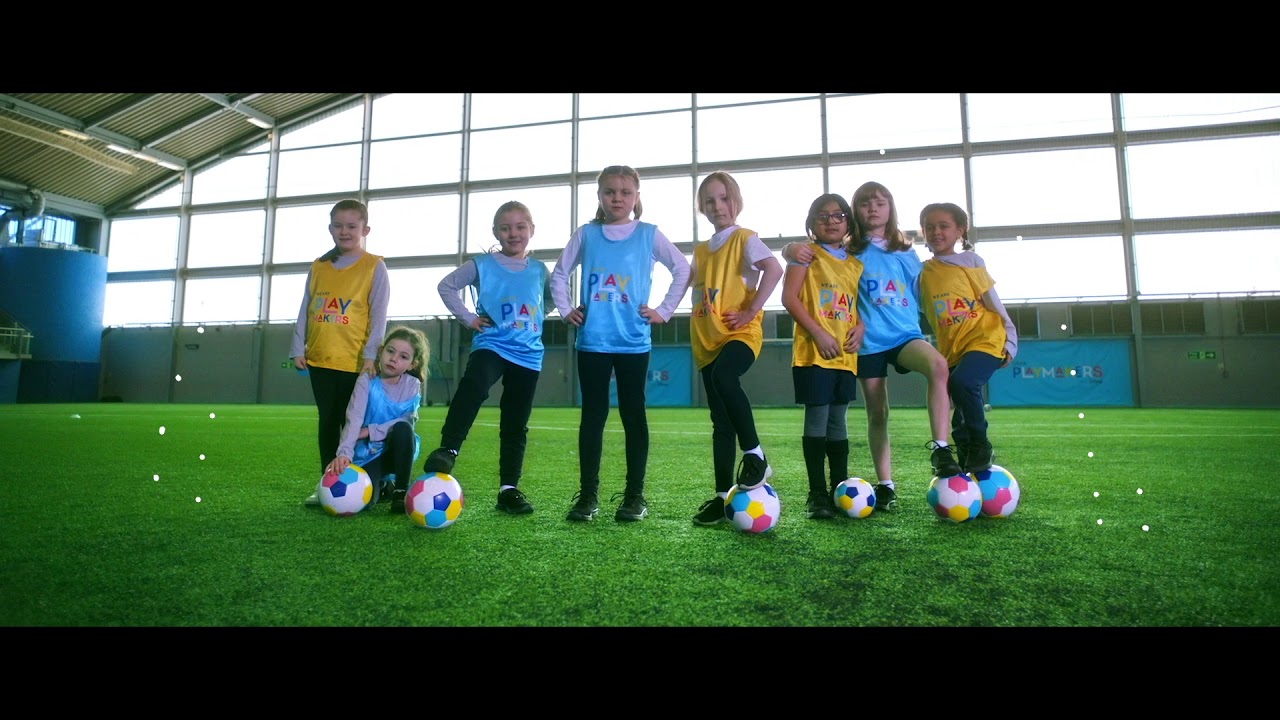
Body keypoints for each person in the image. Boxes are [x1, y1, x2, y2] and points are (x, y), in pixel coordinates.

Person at [783, 181, 961, 511]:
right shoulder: (849, 252)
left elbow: (926, 296)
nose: (873, 208)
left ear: (891, 208)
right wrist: (789, 248)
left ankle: (941, 448)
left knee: (938, 365)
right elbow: (815, 256)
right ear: (856, 213)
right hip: (866, 345)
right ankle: (885, 485)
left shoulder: (906, 253)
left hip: (905, 336)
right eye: (865, 204)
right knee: (877, 413)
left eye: (880, 202)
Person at [550, 165, 691, 522]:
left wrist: (663, 310)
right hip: (593, 342)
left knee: (634, 416)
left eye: (625, 192)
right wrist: (566, 310)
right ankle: (588, 496)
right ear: (599, 196)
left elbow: (683, 269)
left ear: (636, 197)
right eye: (609, 192)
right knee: (593, 417)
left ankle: (634, 497)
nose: (617, 198)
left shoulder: (649, 234)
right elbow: (560, 273)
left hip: (633, 342)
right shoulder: (586, 234)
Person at [422, 201, 549, 515]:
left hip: (528, 354)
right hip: (492, 343)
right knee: (474, 387)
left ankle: (509, 490)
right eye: (505, 228)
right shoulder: (482, 265)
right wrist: (469, 318)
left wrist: (536, 317)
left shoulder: (539, 270)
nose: (513, 233)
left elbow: (551, 300)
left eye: (520, 227)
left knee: (515, 421)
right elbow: (446, 286)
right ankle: (448, 449)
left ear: (532, 230)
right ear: (496, 232)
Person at [687, 171, 784, 526]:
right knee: (721, 422)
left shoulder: (745, 239)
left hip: (739, 333)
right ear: (702, 207)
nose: (718, 206)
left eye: (724, 198)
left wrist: (751, 310)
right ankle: (721, 497)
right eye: (709, 201)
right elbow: (684, 286)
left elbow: (774, 269)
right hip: (706, 340)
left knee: (726, 378)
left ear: (736, 201)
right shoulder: (700, 252)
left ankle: (756, 455)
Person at [294, 199, 390, 506]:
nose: (344, 231)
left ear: (365, 230)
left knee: (354, 426)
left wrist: (371, 356)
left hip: (356, 363)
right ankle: (327, 482)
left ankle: (364, 483)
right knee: (328, 422)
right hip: (320, 358)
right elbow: (306, 309)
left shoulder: (374, 266)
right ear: (330, 228)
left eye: (351, 226)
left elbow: (378, 316)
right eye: (338, 225)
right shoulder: (319, 266)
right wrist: (298, 347)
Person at [781, 193, 866, 519]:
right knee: (817, 419)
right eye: (823, 216)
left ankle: (840, 490)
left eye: (839, 215)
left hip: (845, 355)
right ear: (812, 223)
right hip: (814, 352)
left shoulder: (855, 264)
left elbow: (854, 304)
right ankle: (817, 494)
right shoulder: (805, 254)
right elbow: (789, 298)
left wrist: (860, 326)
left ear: (848, 222)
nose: (831, 221)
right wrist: (818, 332)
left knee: (838, 421)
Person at [918, 202, 1018, 473]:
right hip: (952, 349)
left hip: (986, 338)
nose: (936, 232)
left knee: (963, 382)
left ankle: (981, 446)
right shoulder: (921, 272)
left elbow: (993, 302)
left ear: (960, 230)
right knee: (959, 411)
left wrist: (1010, 337)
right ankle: (967, 465)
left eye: (944, 226)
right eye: (929, 227)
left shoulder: (970, 261)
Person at [324, 326, 429, 513]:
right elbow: (354, 418)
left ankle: (400, 492)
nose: (394, 359)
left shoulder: (412, 385)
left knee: (404, 429)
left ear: (412, 364)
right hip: (368, 453)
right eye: (390, 351)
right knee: (364, 502)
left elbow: (406, 422)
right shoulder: (366, 381)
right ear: (381, 352)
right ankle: (383, 485)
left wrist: (370, 431)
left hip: (397, 451)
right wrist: (344, 454)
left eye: (403, 357)